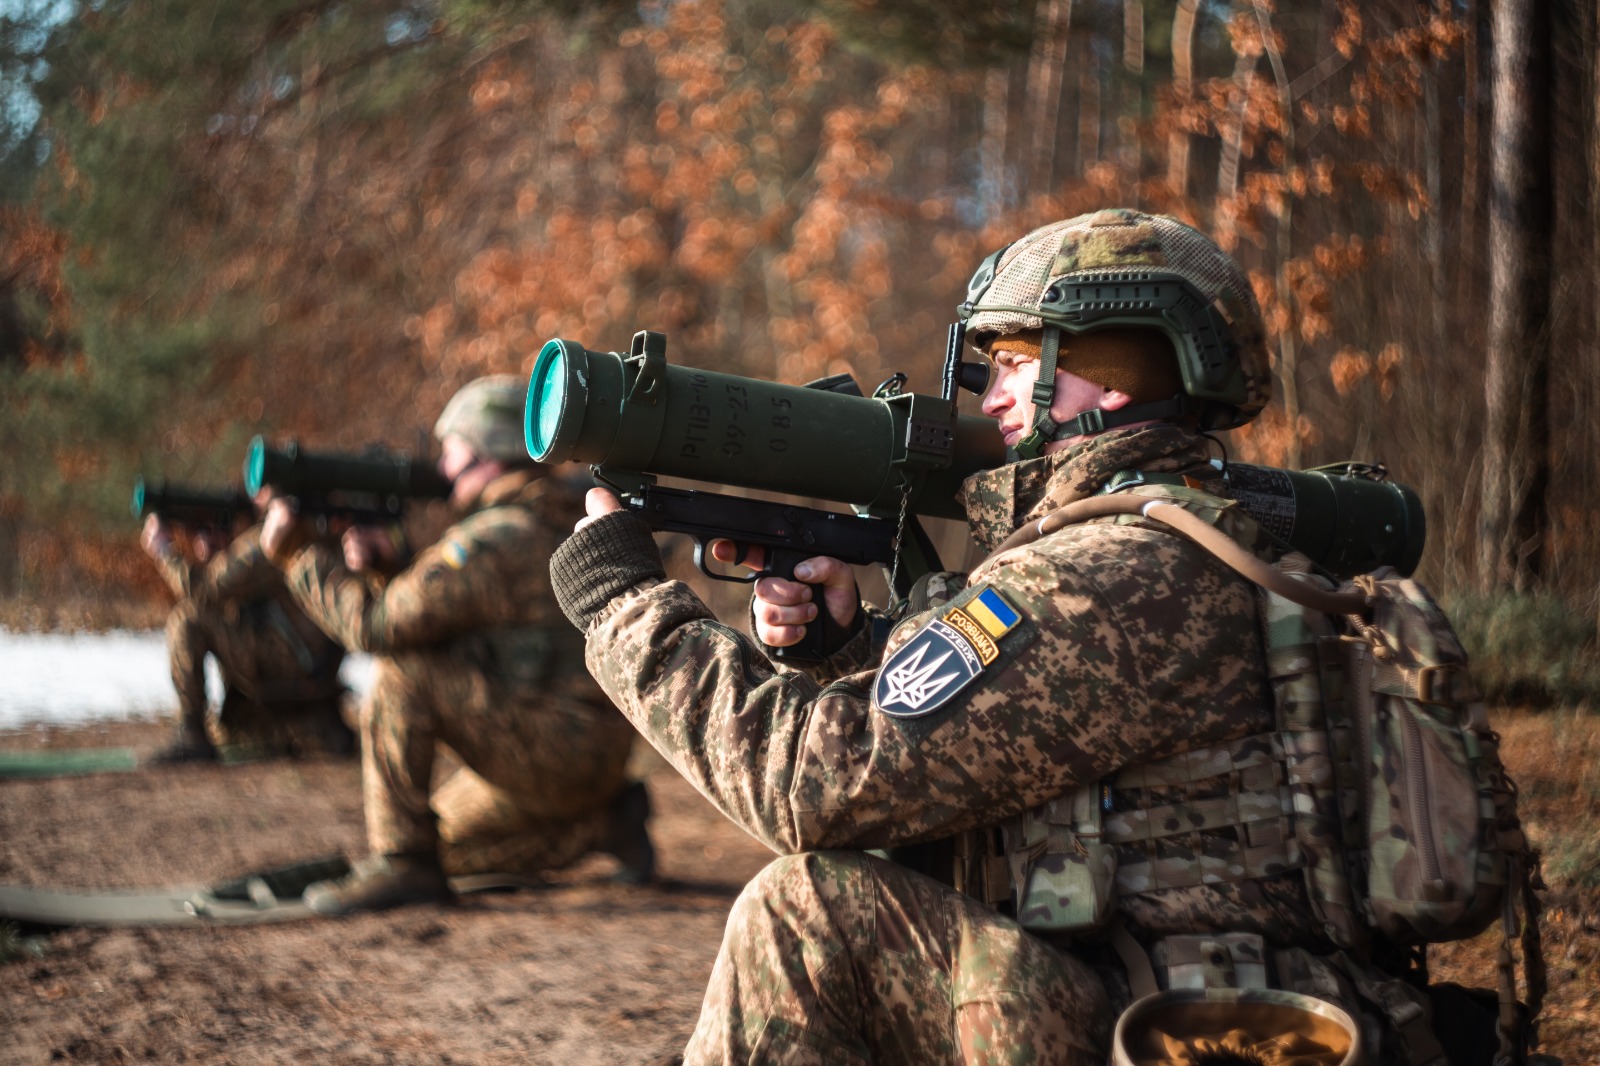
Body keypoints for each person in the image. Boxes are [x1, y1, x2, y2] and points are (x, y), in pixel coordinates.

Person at [546, 209, 1441, 1063]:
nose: (996, 396)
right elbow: (1008, 744)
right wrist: (849, 649)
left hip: (1172, 1030)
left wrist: (624, 601)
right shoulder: (1178, 540)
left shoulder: (1113, 573)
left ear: (1115, 377)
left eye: (1016, 361)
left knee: (810, 912)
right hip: (1178, 1000)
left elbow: (812, 790)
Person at [261, 375, 653, 915]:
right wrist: (386, 567)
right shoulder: (557, 518)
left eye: (453, 451)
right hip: (585, 753)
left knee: (404, 674)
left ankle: (402, 863)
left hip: (550, 752)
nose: (444, 468)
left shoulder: (494, 540)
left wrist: (297, 557)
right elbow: (466, 627)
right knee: (446, 847)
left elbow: (376, 629)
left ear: (488, 454)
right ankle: (606, 825)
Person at [142, 497, 353, 764]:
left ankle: (192, 735)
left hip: (295, 664)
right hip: (318, 662)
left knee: (188, 618)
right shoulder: (316, 529)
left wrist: (164, 551)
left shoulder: (272, 536)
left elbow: (203, 590)